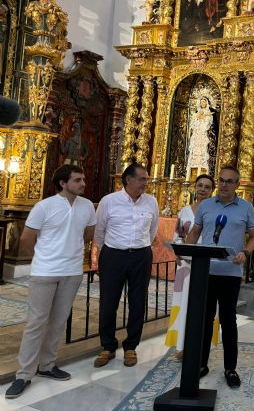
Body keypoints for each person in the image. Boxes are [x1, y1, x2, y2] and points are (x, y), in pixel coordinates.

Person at [5, 165, 96, 399]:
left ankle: (46, 365)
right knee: (36, 322)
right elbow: (26, 238)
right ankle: (24, 374)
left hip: (72, 271)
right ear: (63, 183)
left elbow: (88, 234)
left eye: (83, 179)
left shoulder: (86, 206)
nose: (83, 183)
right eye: (78, 180)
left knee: (57, 321)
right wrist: (44, 257)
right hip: (45, 271)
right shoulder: (44, 206)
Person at [186, 165, 254, 388]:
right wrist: (184, 250)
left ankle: (230, 368)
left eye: (229, 181)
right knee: (205, 320)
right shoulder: (206, 206)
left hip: (230, 272)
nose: (224, 185)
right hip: (206, 272)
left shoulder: (246, 207)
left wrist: (245, 252)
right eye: (221, 180)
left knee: (228, 321)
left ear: (237, 184)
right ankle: (201, 363)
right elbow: (195, 233)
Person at [93, 163, 159, 368]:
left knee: (138, 302)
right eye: (142, 179)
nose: (145, 183)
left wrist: (139, 248)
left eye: (146, 179)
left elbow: (152, 230)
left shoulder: (151, 202)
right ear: (128, 180)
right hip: (113, 255)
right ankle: (108, 346)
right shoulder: (109, 201)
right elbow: (99, 233)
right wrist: (113, 251)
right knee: (108, 301)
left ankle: (131, 347)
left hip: (141, 255)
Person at [165, 174, 215, 356]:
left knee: (204, 305)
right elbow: (178, 235)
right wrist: (177, 252)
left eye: (207, 187)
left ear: (212, 191)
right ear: (195, 187)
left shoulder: (215, 212)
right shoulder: (185, 211)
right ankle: (181, 346)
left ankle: (202, 346)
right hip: (186, 265)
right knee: (183, 303)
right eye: (200, 185)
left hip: (208, 265)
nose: (203, 189)